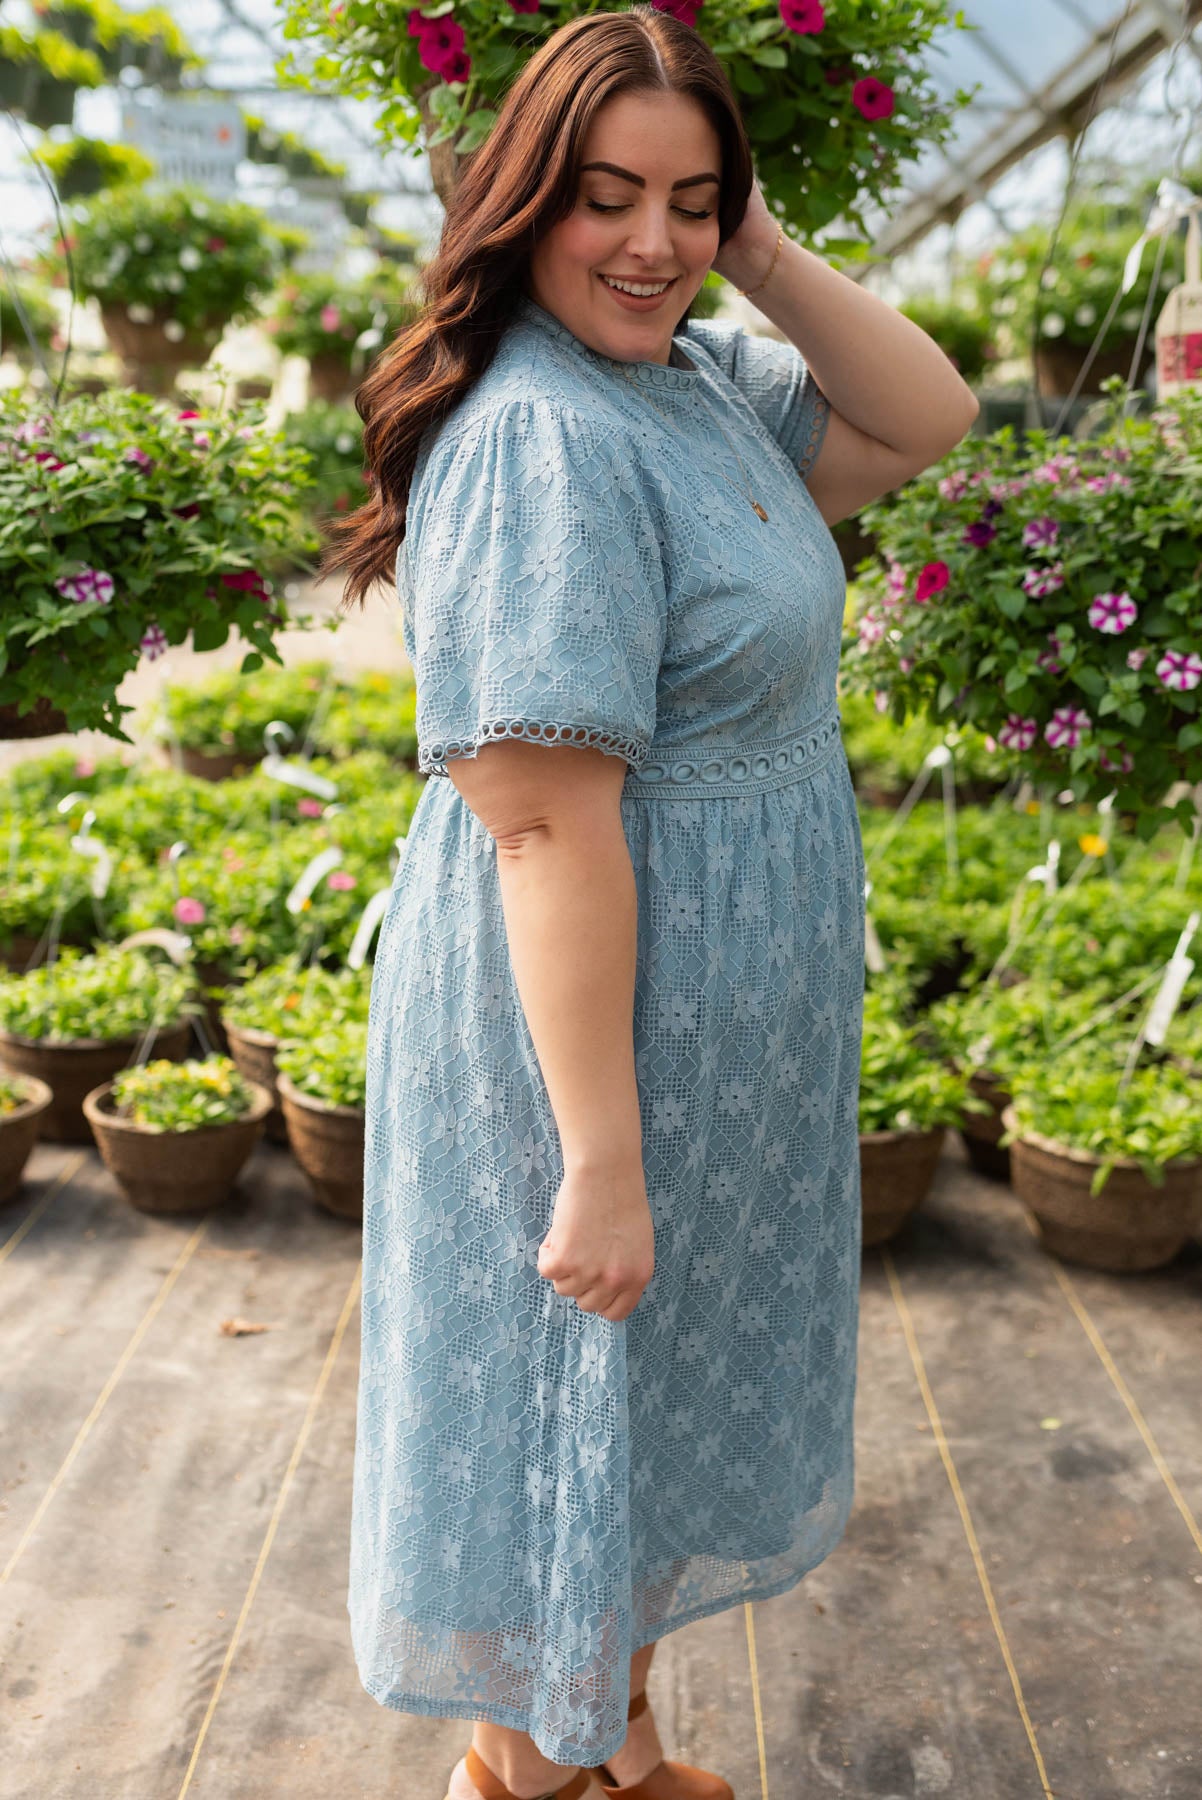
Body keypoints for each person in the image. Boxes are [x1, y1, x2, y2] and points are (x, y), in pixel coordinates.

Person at [322, 8, 978, 1799]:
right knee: (570, 1385)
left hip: (696, 1011)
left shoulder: (685, 378)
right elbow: (541, 828)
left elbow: (923, 417)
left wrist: (750, 243)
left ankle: (607, 1751)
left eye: (687, 204)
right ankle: (523, 1779)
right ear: (523, 203)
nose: (650, 244)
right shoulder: (544, 441)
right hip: (595, 1024)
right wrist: (599, 1158)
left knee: (627, 1404)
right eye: (605, 198)